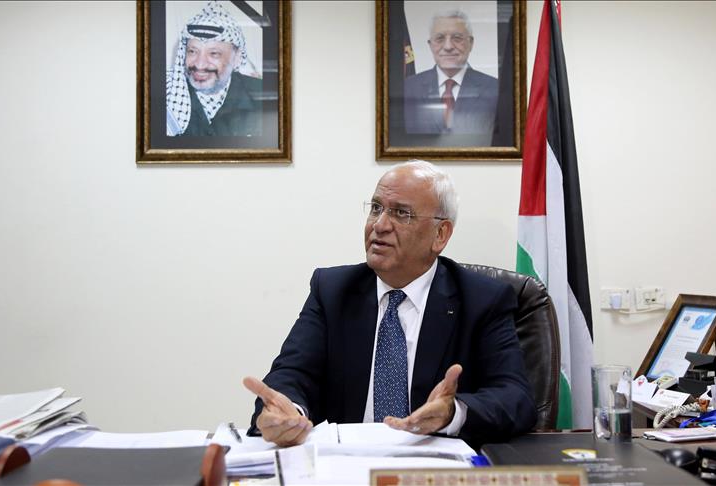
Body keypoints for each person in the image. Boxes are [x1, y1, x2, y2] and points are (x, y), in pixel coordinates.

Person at [243, 161, 536, 448]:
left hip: (432, 466)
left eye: (401, 213)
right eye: (376, 208)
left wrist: (453, 413)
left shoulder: (482, 299)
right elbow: (293, 374)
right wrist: (286, 414)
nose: (379, 225)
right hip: (347, 464)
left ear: (440, 234)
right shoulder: (333, 291)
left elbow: (515, 398)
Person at [166, 1, 261, 137]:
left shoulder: (262, 93)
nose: (200, 64)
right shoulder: (168, 93)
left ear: (237, 58)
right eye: (192, 51)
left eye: (214, 53)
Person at [403, 10, 499, 136]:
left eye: (457, 38)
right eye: (440, 38)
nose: (448, 46)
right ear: (430, 45)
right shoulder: (407, 88)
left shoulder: (495, 89)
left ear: (471, 43)